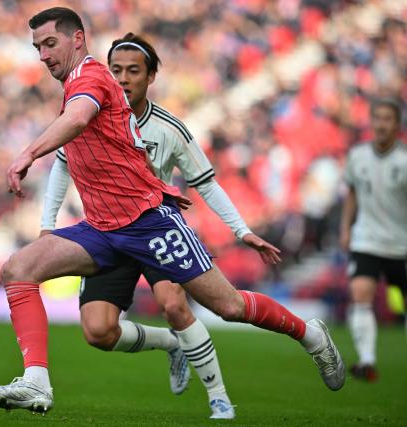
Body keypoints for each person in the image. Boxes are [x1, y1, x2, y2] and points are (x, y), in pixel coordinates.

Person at [0, 6, 345, 415]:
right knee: (21, 272)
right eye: (37, 48)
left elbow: (80, 118)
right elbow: (70, 152)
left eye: (50, 44)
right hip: (102, 228)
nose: (43, 55)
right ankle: (36, 383)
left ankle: (308, 334)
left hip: (149, 223)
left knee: (230, 307)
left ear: (77, 40)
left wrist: (26, 154)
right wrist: (48, 227)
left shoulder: (92, 76)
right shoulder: (75, 86)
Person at [38, 32, 271, 419]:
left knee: (173, 303)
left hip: (155, 228)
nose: (124, 78)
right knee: (98, 331)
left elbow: (205, 182)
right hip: (107, 231)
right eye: (116, 71)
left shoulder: (169, 127)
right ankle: (171, 344)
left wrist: (240, 230)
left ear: (150, 77)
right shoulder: (84, 115)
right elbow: (61, 166)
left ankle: (219, 398)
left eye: (133, 71)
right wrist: (47, 225)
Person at [340, 98, 407, 382]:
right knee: (361, 294)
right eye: (377, 118)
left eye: (387, 119)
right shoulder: (357, 156)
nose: (381, 124)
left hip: (401, 244)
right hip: (366, 239)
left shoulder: (404, 161)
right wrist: (345, 228)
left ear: (397, 124)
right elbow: (352, 193)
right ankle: (367, 361)